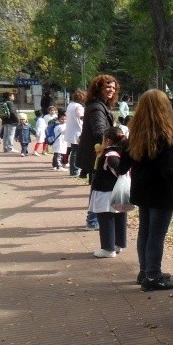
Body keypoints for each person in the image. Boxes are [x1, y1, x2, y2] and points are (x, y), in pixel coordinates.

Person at [116, 88, 173, 290]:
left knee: (145, 232)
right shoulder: (166, 137)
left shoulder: (135, 136)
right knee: (156, 233)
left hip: (142, 190)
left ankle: (145, 271)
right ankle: (153, 276)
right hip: (161, 192)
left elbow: (123, 166)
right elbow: (172, 170)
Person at [76, 74, 119, 231]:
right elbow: (99, 130)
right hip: (97, 155)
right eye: (108, 86)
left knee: (96, 186)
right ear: (98, 87)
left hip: (97, 153)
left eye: (113, 87)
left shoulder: (99, 105)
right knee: (98, 187)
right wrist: (115, 138)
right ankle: (93, 220)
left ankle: (93, 219)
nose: (111, 90)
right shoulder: (96, 107)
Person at [90, 127, 129, 259]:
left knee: (106, 218)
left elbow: (119, 170)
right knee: (119, 216)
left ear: (107, 140)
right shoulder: (119, 153)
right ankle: (118, 243)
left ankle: (108, 248)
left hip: (106, 192)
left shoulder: (110, 156)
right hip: (116, 191)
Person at [64, 89, 86, 176]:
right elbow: (82, 117)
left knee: (74, 150)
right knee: (76, 151)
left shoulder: (70, 105)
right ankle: (75, 170)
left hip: (71, 130)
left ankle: (74, 169)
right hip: (77, 131)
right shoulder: (78, 107)